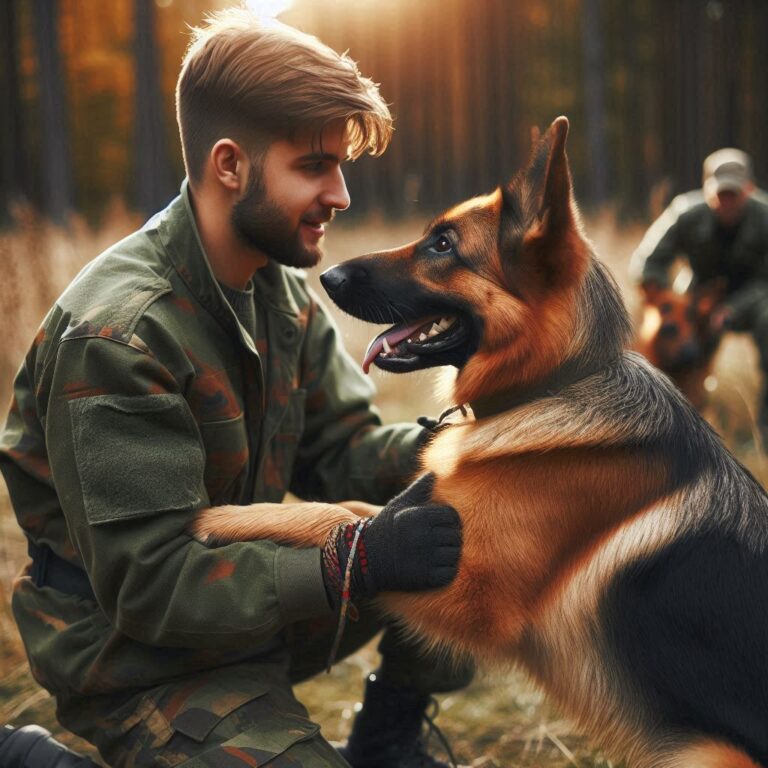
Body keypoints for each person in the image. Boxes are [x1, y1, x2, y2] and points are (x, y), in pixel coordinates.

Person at [0, 10, 470, 767]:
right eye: (315, 166)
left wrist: (471, 451)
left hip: (245, 607)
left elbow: (345, 449)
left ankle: (384, 745)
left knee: (474, 545)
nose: (341, 194)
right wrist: (357, 559)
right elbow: (151, 586)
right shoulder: (120, 336)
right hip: (135, 656)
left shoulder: (276, 290)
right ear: (229, 165)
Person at [631, 147, 768, 435]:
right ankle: (673, 421)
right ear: (706, 189)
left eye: (734, 193)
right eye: (721, 193)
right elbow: (647, 263)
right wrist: (670, 303)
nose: (726, 201)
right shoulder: (685, 212)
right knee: (670, 341)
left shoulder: (764, 216)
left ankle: (763, 428)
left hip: (756, 299)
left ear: (749, 189)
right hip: (697, 298)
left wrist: (732, 309)